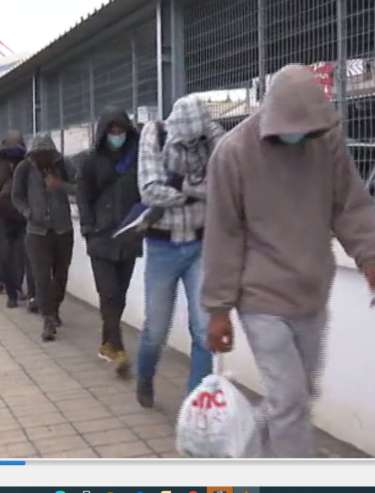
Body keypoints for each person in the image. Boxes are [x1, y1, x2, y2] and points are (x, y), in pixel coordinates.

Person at [202, 64, 375, 458]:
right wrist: (218, 309)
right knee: (289, 403)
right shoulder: (233, 153)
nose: (299, 134)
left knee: (298, 397)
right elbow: (223, 234)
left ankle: (243, 455)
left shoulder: (327, 144)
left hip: (311, 293)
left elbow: (349, 204)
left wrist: (370, 257)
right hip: (261, 298)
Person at [134, 94, 225, 408]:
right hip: (162, 246)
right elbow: (149, 191)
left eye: (195, 143)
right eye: (185, 144)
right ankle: (144, 376)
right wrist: (197, 191)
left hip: (201, 245)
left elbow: (222, 188)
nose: (191, 149)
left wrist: (177, 183)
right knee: (156, 329)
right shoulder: (154, 134)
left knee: (203, 330)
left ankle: (194, 407)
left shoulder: (215, 137)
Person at [75, 106, 142, 377]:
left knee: (120, 297)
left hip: (128, 237)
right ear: (104, 133)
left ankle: (106, 343)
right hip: (101, 239)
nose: (117, 135)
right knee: (109, 294)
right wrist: (89, 228)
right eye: (112, 131)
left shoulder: (136, 160)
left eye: (121, 131)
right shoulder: (92, 161)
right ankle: (119, 349)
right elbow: (83, 195)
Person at [12, 133, 76, 342]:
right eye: (39, 154)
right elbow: (17, 197)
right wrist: (28, 213)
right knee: (41, 277)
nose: (43, 158)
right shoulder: (25, 168)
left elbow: (80, 188)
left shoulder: (63, 165)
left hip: (62, 229)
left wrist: (61, 185)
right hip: (37, 232)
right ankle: (47, 319)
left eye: (47, 153)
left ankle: (55, 308)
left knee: (61, 275)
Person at [0, 132, 30, 308]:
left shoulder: (27, 164)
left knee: (21, 255)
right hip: (1, 216)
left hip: (22, 216)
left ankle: (17, 288)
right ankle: (11, 291)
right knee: (4, 255)